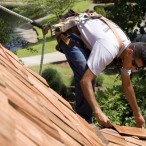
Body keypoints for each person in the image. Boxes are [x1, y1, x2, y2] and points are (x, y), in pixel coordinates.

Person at [54, 10, 146, 128]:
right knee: (85, 74)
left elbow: (127, 85)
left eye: (137, 68)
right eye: (134, 64)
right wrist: (98, 111)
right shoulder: (109, 48)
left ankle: (86, 119)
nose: (133, 69)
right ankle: (86, 123)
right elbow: (85, 81)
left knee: (89, 73)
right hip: (70, 35)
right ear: (130, 53)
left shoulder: (126, 52)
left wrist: (137, 114)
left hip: (85, 40)